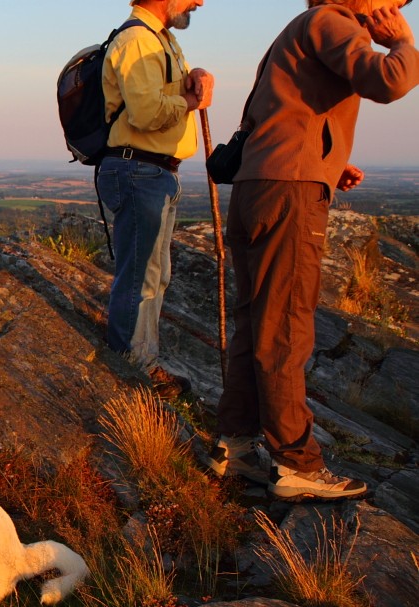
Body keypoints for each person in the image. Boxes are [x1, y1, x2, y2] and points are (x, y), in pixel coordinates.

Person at [207, 0, 419, 500]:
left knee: (257, 320)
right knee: (285, 328)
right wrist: (404, 44)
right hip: (289, 192)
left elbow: (288, 114)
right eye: (389, 1)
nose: (392, 8)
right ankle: (297, 464)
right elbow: (387, 81)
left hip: (261, 184)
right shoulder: (333, 22)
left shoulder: (301, 28)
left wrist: (328, 163)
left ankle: (234, 445)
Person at [98, 0, 214, 398]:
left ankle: (142, 362)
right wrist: (191, 102)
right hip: (139, 170)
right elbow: (147, 114)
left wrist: (191, 77)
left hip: (154, 171)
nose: (199, 2)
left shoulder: (158, 41)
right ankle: (130, 370)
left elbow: (155, 93)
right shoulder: (137, 41)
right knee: (139, 276)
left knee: (155, 274)